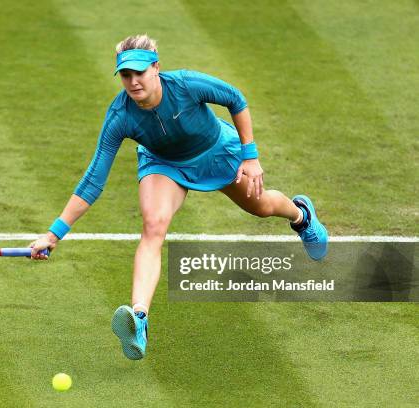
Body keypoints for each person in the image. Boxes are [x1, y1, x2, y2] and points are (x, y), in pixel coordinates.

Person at [29, 34, 328, 360]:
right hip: (164, 164)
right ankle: (139, 317)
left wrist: (250, 156)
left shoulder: (185, 85)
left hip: (216, 151)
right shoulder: (121, 115)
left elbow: (236, 99)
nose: (132, 82)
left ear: (156, 67)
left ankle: (302, 216)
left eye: (139, 73)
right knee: (153, 226)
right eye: (125, 76)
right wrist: (54, 233)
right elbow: (93, 181)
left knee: (262, 206)